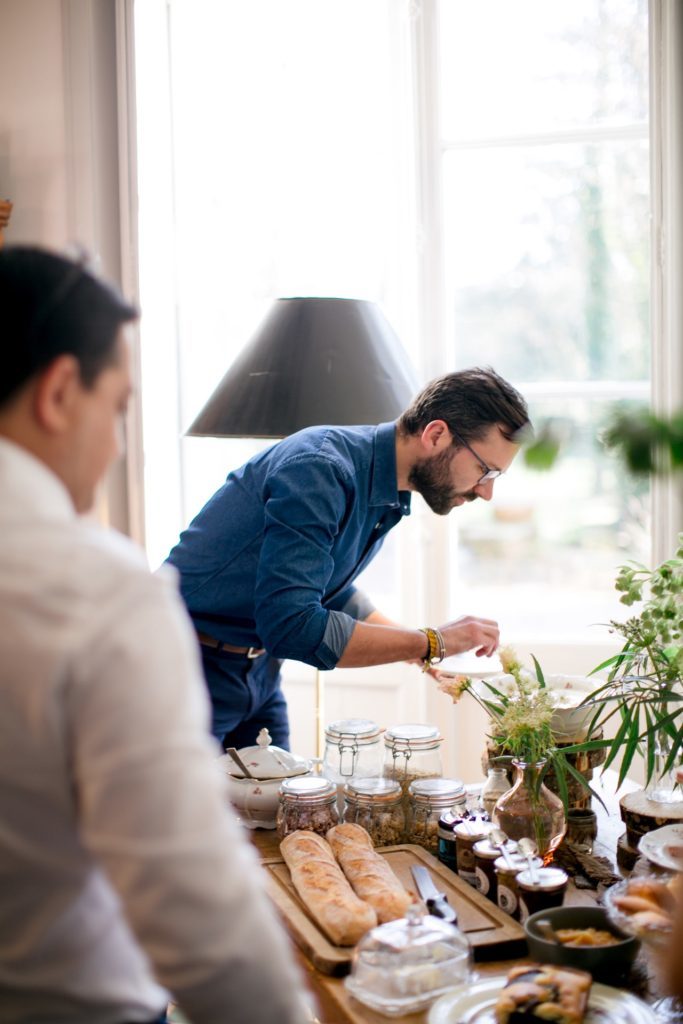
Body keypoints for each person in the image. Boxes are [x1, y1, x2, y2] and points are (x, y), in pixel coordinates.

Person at [0, 246, 310, 1024]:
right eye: (118, 410)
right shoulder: (95, 591)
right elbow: (193, 908)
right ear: (60, 392)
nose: (113, 448)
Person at [167, 366, 530, 751]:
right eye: (485, 470)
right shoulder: (319, 469)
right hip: (183, 667)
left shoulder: (383, 486)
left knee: (288, 808)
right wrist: (431, 642)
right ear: (436, 434)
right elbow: (293, 626)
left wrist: (425, 655)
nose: (486, 492)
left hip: (259, 673)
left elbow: (330, 590)